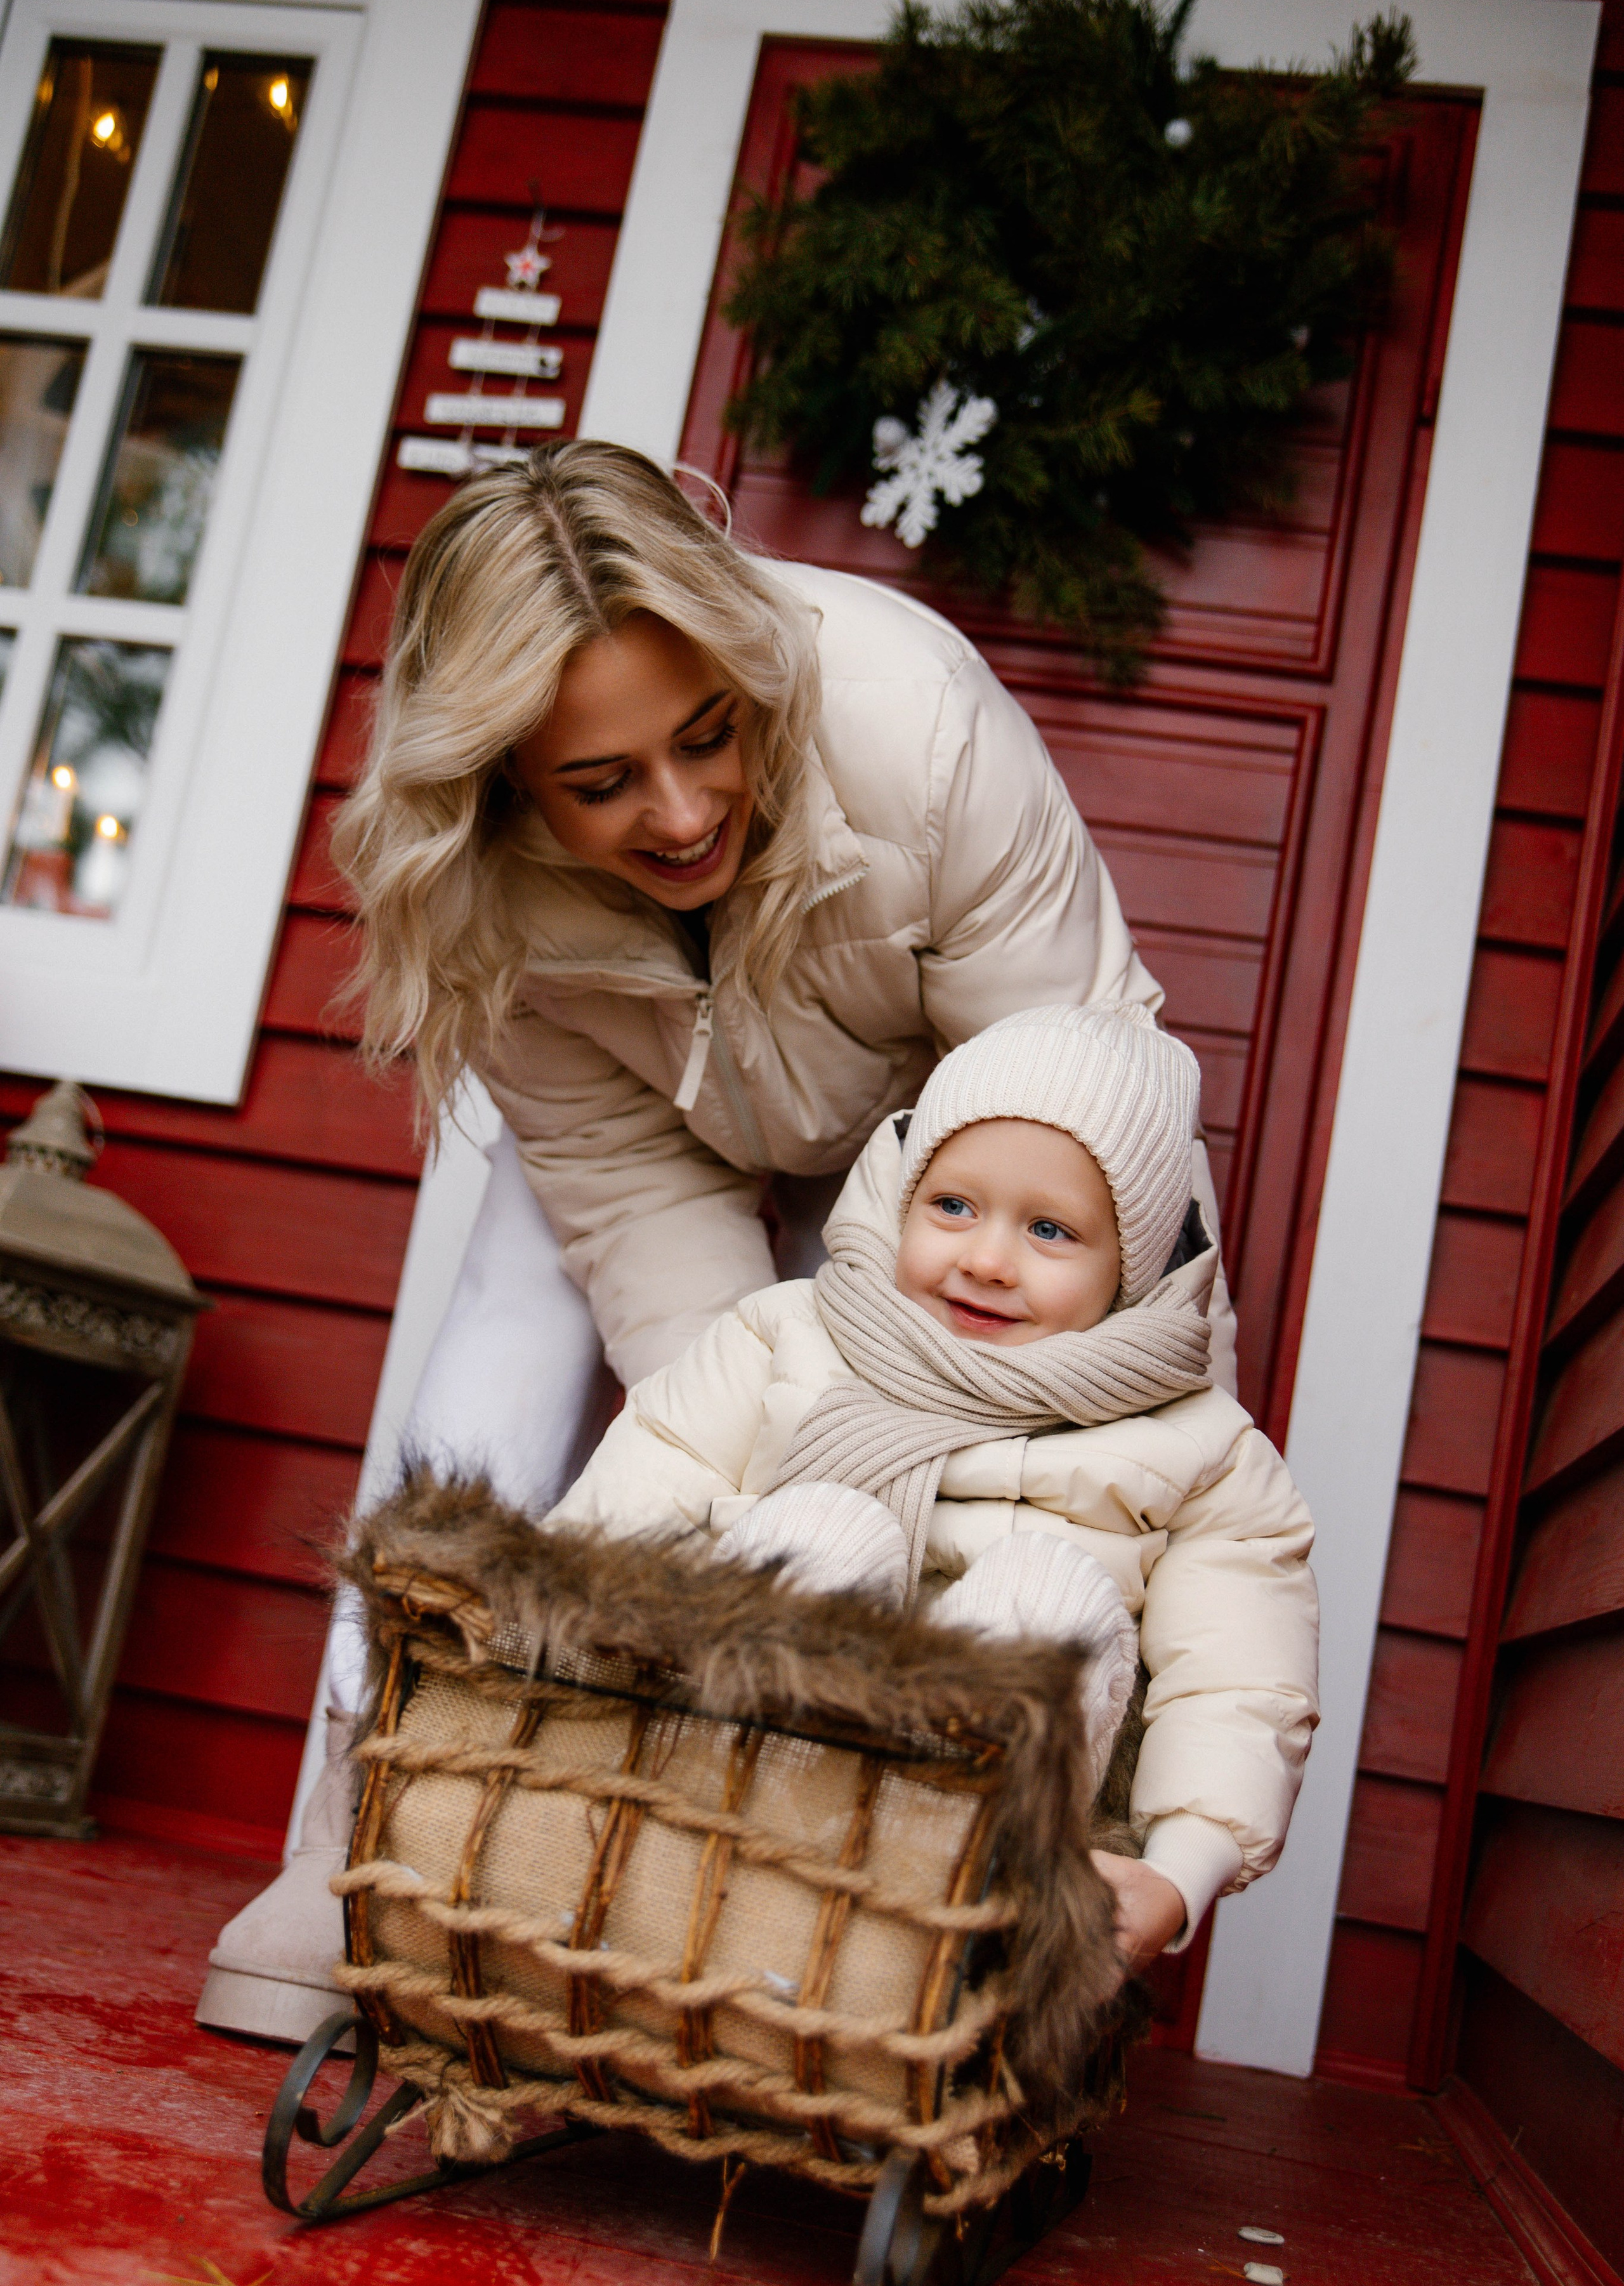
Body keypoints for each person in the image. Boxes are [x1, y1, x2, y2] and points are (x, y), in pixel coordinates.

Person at [197, 440, 1238, 2039]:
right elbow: (631, 1203)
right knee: (523, 1306)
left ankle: (989, 1876)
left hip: (942, 1126)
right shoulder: (477, 881)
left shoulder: (913, 726)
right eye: (601, 783)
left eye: (706, 738)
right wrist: (740, 1476)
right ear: (504, 781)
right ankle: (371, 1804)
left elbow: (1070, 1136)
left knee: (998, 1382)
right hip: (656, 1117)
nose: (681, 814)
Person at [549, 1003, 1318, 1970]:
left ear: (1130, 1266)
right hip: (723, 1784)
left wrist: (1183, 1869)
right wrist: (538, 1662)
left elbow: (1237, 1680)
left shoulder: (1200, 1451)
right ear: (904, 1194)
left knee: (1046, 1594)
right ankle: (724, 1896)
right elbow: (630, 1509)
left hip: (978, 1861)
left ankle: (899, 1956)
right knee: (821, 1528)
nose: (985, 1260)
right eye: (953, 1206)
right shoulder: (790, 1336)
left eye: (1050, 1230)